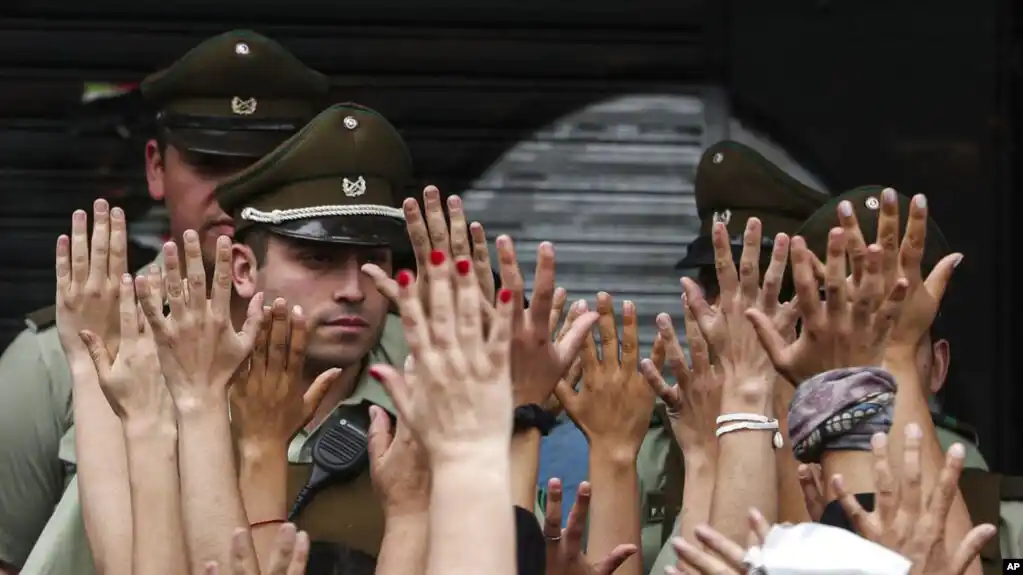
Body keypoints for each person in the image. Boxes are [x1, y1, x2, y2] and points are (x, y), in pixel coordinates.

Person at [2, 30, 329, 575]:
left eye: (265, 167)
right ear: (156, 168)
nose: (235, 193)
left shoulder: (395, 355)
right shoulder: (54, 362)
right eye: (209, 163)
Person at [795, 185, 1023, 571]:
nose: (867, 383)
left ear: (938, 366)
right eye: (847, 346)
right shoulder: (757, 500)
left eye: (892, 339)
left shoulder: (1010, 528)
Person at [647, 139, 829, 575]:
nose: (723, 310)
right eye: (714, 286)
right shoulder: (661, 444)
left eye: (755, 289)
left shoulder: (868, 439)